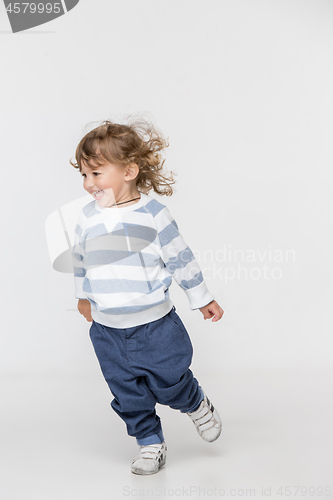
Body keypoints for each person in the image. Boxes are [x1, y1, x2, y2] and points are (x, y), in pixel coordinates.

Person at [70, 118, 224, 475]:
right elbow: (81, 260)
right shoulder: (87, 218)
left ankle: (195, 401)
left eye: (96, 173)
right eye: (84, 175)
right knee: (128, 393)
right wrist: (82, 295)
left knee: (169, 384)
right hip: (107, 330)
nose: (88, 184)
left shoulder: (154, 215)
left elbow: (181, 259)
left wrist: (201, 297)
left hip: (155, 326)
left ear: (129, 170)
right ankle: (149, 442)